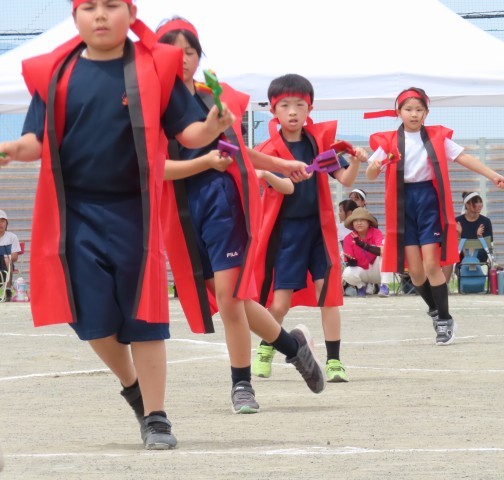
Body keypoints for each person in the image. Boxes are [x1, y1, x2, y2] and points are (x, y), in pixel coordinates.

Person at [0, 0, 239, 450]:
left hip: (137, 211)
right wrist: (14, 149)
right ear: (75, 17)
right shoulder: (54, 73)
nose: (101, 15)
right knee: (91, 322)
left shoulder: (153, 67)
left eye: (112, 5)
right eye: (89, 7)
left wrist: (210, 125)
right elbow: (37, 139)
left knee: (145, 318)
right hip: (76, 214)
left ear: (130, 13)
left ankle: (157, 416)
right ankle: (133, 388)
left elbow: (187, 133)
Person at [157, 18, 325, 415]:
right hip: (178, 210)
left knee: (232, 299)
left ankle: (242, 385)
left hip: (221, 202)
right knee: (226, 296)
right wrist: (204, 164)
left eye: (190, 51)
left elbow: (235, 153)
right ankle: (292, 346)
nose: (182, 58)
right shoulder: (151, 103)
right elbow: (151, 166)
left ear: (199, 57)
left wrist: (281, 165)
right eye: (172, 51)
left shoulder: (212, 100)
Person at [365, 87, 504, 345]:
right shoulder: (388, 141)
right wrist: (374, 167)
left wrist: (492, 175)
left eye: (419, 110)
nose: (414, 114)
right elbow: (371, 174)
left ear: (427, 112)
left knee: (432, 265)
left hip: (428, 201)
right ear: (398, 112)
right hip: (401, 204)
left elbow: (463, 157)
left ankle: (444, 320)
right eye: (408, 109)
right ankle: (435, 309)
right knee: (415, 272)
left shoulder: (437, 137)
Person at [251, 73, 369, 383]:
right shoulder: (267, 149)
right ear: (273, 110)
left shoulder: (319, 143)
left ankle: (334, 362)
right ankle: (266, 347)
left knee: (328, 296)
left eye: (300, 105)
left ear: (310, 108)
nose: (292, 111)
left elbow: (345, 180)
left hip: (319, 231)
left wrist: (355, 160)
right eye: (285, 105)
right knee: (279, 303)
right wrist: (276, 176)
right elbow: (275, 186)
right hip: (286, 234)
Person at [443, 191, 493, 283]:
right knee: (449, 256)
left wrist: (480, 236)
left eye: (480, 202)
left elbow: (489, 245)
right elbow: (452, 244)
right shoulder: (457, 221)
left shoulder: (486, 221)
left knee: (472, 248)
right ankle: (444, 286)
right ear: (467, 205)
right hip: (460, 254)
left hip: (480, 254)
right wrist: (459, 234)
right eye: (476, 202)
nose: (480, 205)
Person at [342, 207, 392, 297]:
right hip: (363, 272)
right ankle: (361, 286)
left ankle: (384, 285)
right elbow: (350, 263)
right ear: (352, 223)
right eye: (356, 220)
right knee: (347, 272)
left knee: (385, 249)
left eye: (362, 220)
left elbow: (383, 252)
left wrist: (363, 245)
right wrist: (351, 262)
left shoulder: (376, 232)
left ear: (368, 222)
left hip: (378, 271)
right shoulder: (348, 238)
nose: (359, 223)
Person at [0, 209, 21, 301]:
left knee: (9, 260)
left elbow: (15, 257)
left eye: (2, 221)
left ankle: (8, 290)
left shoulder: (12, 237)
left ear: (6, 223)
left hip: (5, 263)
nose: (0, 224)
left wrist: (5, 257)